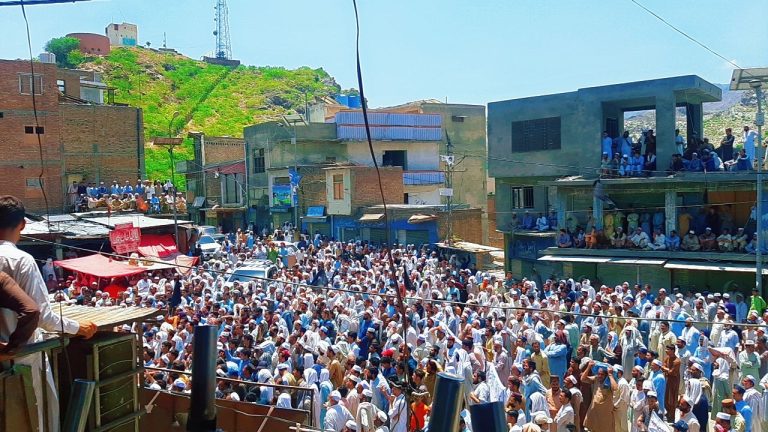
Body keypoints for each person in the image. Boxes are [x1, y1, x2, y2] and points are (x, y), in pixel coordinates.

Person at [0, 195, 97, 432]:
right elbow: (40, 315)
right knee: (37, 419)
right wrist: (79, 328)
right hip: (22, 359)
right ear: (22, 224)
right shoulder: (21, 261)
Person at [581, 361, 616, 432]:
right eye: (598, 374)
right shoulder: (596, 379)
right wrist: (588, 367)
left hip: (605, 414)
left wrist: (610, 375)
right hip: (594, 412)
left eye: (602, 374)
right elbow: (583, 379)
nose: (599, 376)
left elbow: (615, 388)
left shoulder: (609, 382)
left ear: (606, 375)